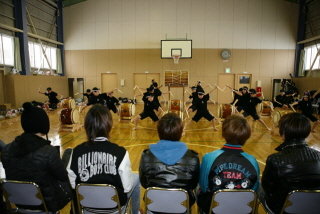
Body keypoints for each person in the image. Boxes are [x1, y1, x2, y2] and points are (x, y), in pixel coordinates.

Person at [66, 104, 140, 214]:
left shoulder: (76, 151)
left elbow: (72, 184)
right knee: (136, 178)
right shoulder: (120, 152)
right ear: (109, 125)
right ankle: (136, 212)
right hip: (115, 208)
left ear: (87, 126)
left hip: (86, 208)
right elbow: (127, 187)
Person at [1, 102, 72, 212]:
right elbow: (62, 177)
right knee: (67, 158)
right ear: (43, 124)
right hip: (47, 205)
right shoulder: (48, 151)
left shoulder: (6, 151)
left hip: (20, 203)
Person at [197, 115, 260, 214]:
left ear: (223, 134)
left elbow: (204, 187)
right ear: (246, 136)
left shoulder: (209, 157)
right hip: (242, 209)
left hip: (214, 208)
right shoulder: (252, 161)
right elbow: (254, 189)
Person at [261, 113, 320, 213]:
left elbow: (268, 188)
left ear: (283, 133)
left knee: (260, 190)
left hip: (283, 209)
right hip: (314, 207)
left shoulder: (275, 159)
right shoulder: (319, 156)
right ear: (307, 131)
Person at [139, 113, 200, 207]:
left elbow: (144, 183)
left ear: (159, 131)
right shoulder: (192, 157)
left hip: (154, 204)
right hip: (182, 205)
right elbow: (193, 184)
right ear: (180, 132)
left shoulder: (146, 155)